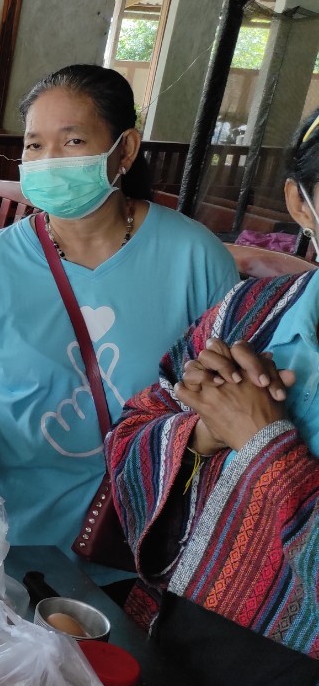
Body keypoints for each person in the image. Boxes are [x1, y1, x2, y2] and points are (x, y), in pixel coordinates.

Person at [0, 64, 240, 587]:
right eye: (35, 146)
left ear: (126, 150)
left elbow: (227, 391)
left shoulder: (194, 260)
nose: (48, 162)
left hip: (124, 528)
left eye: (72, 141)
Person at [106, 109, 319, 679]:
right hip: (180, 626)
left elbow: (261, 441)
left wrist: (262, 440)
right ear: (302, 205)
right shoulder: (251, 313)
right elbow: (133, 431)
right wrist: (202, 428)